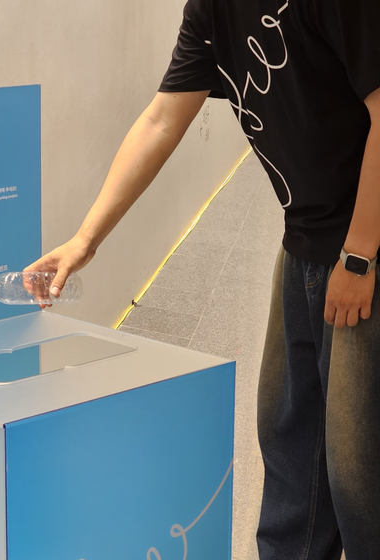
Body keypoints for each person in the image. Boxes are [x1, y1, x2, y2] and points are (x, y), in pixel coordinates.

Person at [25, 0, 380, 557]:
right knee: (291, 447)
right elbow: (162, 118)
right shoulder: (212, 9)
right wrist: (85, 240)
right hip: (304, 242)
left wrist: (359, 258)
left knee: (360, 474)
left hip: (366, 247)